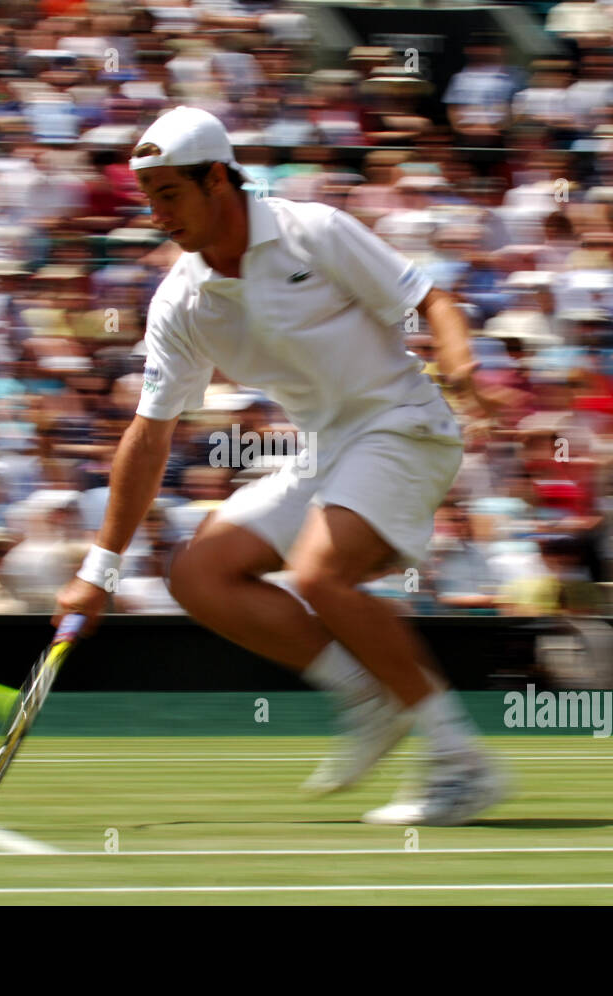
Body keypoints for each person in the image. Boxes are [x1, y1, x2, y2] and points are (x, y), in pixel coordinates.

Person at [54, 106, 512, 825]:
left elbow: (429, 298)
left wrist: (458, 361)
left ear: (216, 180)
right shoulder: (181, 300)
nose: (158, 215)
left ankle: (462, 764)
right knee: (199, 574)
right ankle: (368, 701)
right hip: (325, 451)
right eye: (149, 199)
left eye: (169, 195)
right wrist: (98, 571)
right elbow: (149, 435)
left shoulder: (314, 230)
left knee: (318, 574)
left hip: (404, 426)